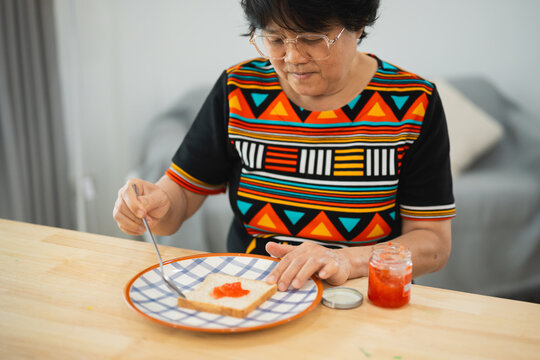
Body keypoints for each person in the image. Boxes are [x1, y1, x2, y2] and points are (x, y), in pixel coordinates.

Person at [113, 0, 455, 292]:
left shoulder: (412, 103)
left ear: (358, 24)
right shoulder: (240, 90)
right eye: (275, 39)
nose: (292, 57)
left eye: (311, 39)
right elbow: (179, 199)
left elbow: (433, 243)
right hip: (252, 294)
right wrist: (152, 205)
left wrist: (345, 260)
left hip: (358, 298)